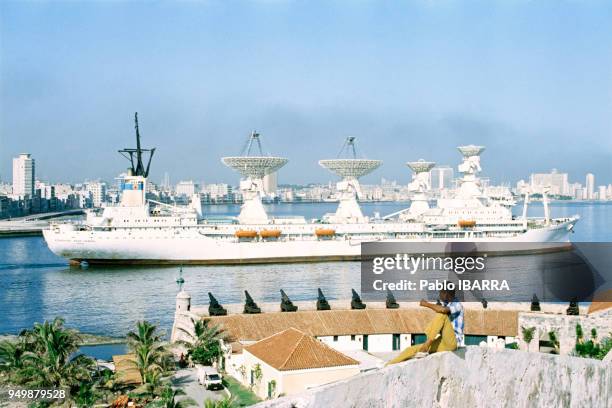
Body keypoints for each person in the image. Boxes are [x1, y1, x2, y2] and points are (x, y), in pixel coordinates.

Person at [387, 287, 464, 365]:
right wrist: (437, 306)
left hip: (453, 342)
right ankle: (388, 364)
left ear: (446, 294)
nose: (439, 295)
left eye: (440, 293)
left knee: (441, 314)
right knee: (412, 349)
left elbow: (443, 310)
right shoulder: (447, 304)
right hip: (444, 342)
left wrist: (426, 304)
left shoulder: (457, 304)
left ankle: (427, 342)